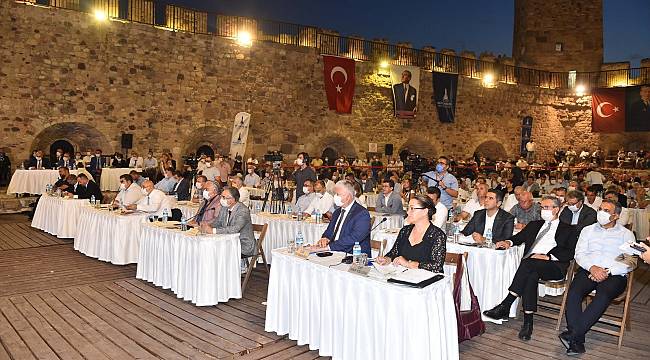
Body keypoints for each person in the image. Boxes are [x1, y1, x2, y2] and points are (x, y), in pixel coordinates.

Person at [484, 196, 578, 341]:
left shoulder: (568, 229)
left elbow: (570, 252)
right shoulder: (535, 224)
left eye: (547, 207)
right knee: (531, 273)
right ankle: (528, 323)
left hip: (553, 265)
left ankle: (506, 304)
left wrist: (548, 257)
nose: (543, 210)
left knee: (528, 264)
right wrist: (508, 242)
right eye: (542, 207)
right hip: (532, 265)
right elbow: (519, 238)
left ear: (556, 209)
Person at [561, 199, 637, 355]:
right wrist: (592, 268)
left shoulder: (626, 234)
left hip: (614, 274)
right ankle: (577, 339)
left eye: (606, 211)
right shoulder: (587, 230)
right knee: (574, 291)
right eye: (600, 209)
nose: (601, 213)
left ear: (616, 216)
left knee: (603, 294)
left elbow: (630, 261)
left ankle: (574, 335)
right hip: (589, 269)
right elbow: (579, 254)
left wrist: (607, 271)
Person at [376, 195, 446, 272]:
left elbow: (436, 266)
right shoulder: (405, 231)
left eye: (412, 208)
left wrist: (408, 264)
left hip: (426, 280)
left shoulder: (437, 235)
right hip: (404, 276)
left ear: (425, 211)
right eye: (408, 208)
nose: (408, 212)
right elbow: (394, 253)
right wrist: (386, 259)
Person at [313, 180, 372, 255]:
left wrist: (329, 247)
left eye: (338, 194)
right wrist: (325, 238)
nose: (335, 197)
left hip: (353, 255)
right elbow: (329, 230)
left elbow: (354, 238)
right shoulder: (337, 212)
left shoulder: (362, 214)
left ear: (348, 197)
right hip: (334, 251)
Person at [206, 187, 256, 257]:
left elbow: (235, 229)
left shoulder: (243, 210)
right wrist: (207, 227)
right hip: (228, 241)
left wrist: (213, 231)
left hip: (242, 244)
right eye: (221, 196)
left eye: (224, 197)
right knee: (210, 246)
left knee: (216, 249)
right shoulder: (224, 207)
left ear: (233, 199)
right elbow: (218, 222)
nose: (221, 199)